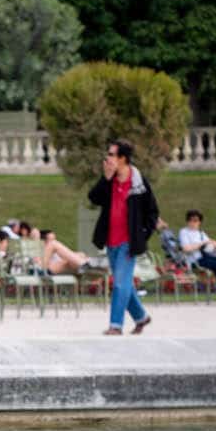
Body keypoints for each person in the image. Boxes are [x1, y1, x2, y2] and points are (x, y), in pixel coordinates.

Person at [88, 139, 157, 335]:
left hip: (129, 242)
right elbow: (93, 198)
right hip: (111, 241)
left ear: (122, 158)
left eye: (111, 154)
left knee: (119, 283)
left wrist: (143, 235)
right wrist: (106, 178)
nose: (107, 158)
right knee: (124, 282)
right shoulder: (109, 181)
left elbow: (152, 212)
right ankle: (141, 317)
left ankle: (115, 325)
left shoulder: (138, 184)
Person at [176, 210, 216, 302]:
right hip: (196, 260)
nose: (193, 223)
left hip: (208, 257)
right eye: (191, 220)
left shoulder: (201, 233)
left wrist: (214, 244)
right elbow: (186, 248)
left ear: (199, 222)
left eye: (196, 220)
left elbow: (214, 243)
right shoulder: (184, 232)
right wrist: (201, 244)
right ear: (187, 221)